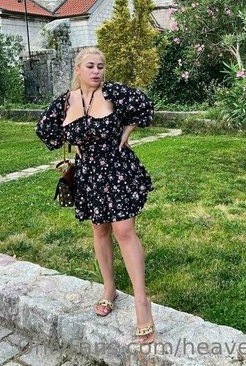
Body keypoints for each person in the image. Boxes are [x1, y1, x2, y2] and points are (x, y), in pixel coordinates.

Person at [36, 47, 155, 344]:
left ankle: (142, 301)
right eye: (90, 66)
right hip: (89, 174)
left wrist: (127, 131)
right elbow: (45, 129)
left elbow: (144, 105)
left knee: (124, 230)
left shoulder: (112, 92)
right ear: (78, 69)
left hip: (117, 169)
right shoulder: (66, 101)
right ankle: (109, 288)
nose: (96, 71)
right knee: (100, 230)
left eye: (100, 66)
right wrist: (71, 139)